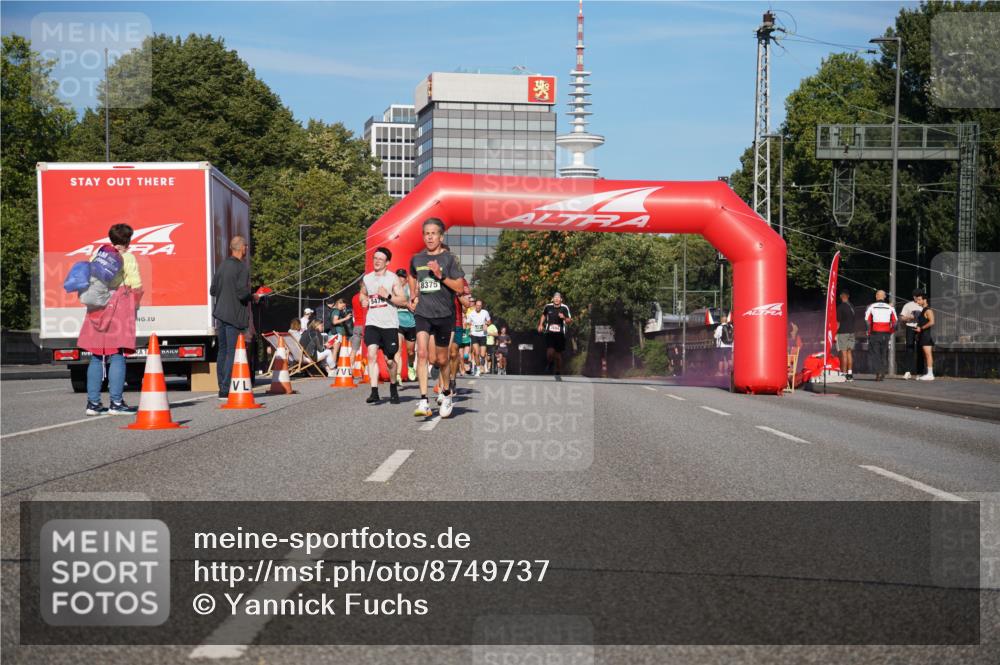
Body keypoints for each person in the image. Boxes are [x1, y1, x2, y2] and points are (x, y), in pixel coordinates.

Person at [78, 224, 141, 415]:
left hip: (96, 308)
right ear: (128, 241)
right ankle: (116, 403)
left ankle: (93, 404)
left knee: (97, 356)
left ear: (111, 238)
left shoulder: (97, 256)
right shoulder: (128, 258)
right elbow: (136, 284)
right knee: (117, 354)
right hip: (117, 308)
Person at [408, 218, 465, 418]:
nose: (430, 237)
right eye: (426, 233)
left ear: (441, 236)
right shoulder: (417, 259)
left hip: (444, 315)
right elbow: (412, 275)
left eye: (434, 233)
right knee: (422, 354)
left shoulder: (450, 259)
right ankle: (423, 400)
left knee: (441, 359)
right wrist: (413, 293)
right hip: (423, 313)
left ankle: (447, 393)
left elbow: (459, 288)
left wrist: (440, 275)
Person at [360, 247, 405, 404]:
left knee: (390, 361)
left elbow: (403, 300)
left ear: (387, 262)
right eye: (375, 258)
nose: (377, 261)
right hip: (372, 322)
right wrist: (363, 300)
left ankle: (393, 387)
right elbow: (362, 293)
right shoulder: (367, 278)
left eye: (381, 258)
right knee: (371, 354)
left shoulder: (393, 278)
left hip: (389, 325)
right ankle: (374, 391)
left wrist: (388, 296)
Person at [210, 235, 252, 401]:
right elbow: (242, 293)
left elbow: (213, 290)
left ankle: (222, 386)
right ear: (241, 248)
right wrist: (253, 296)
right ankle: (226, 389)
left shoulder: (222, 266)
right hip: (234, 315)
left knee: (222, 350)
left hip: (220, 314)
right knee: (231, 352)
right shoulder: (242, 268)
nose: (247, 249)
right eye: (246, 247)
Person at [864, 289, 897, 381]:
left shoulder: (871, 307)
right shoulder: (890, 307)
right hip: (886, 334)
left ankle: (878, 373)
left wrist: (869, 331)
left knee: (876, 354)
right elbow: (895, 323)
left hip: (875, 333)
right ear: (885, 297)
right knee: (884, 353)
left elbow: (867, 321)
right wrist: (890, 331)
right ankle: (883, 372)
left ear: (876, 296)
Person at [537, 292, 572, 377]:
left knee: (558, 355)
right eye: (555, 298)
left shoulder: (564, 308)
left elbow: (569, 321)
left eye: (558, 298)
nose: (556, 299)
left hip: (560, 334)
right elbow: (543, 315)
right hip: (550, 333)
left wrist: (564, 317)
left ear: (561, 299)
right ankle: (550, 363)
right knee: (550, 352)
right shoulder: (548, 306)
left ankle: (558, 371)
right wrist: (541, 324)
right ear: (553, 299)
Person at [394, 269, 417, 381]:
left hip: (410, 323)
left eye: (402, 277)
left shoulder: (410, 289)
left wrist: (412, 304)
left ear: (406, 279)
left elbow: (415, 303)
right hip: (397, 323)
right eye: (398, 276)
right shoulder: (393, 289)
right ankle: (398, 375)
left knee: (410, 351)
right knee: (398, 349)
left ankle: (411, 366)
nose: (400, 279)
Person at [899, 290, 925, 380]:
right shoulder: (908, 305)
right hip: (910, 327)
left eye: (920, 296)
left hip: (920, 328)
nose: (917, 298)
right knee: (909, 349)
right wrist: (909, 317)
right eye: (916, 296)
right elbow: (901, 317)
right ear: (913, 296)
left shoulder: (923, 304)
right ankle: (908, 371)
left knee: (920, 350)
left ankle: (919, 372)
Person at [914, 292, 935, 381]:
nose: (917, 301)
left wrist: (921, 328)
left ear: (924, 300)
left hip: (926, 335)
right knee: (926, 355)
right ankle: (928, 373)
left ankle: (930, 374)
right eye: (917, 299)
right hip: (923, 335)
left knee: (928, 354)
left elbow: (932, 322)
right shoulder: (923, 310)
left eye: (919, 299)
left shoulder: (928, 310)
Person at [467, 299, 491, 376]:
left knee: (483, 354)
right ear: (475, 305)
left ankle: (482, 362)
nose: (478, 307)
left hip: (483, 335)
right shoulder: (471, 313)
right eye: (477, 305)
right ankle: (478, 369)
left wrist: (486, 324)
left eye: (480, 306)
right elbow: (468, 323)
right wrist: (469, 330)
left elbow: (489, 321)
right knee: (476, 353)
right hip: (474, 335)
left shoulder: (485, 312)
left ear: (481, 306)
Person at [835, 290, 856, 381]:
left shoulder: (840, 307)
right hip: (851, 332)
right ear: (848, 296)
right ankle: (850, 374)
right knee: (849, 353)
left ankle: (843, 374)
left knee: (843, 353)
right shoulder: (852, 306)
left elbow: (838, 322)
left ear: (841, 296)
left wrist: (835, 333)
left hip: (842, 332)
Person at [326, 298, 351, 368]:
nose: (344, 308)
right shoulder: (336, 311)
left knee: (333, 351)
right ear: (339, 303)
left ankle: (330, 367)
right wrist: (345, 318)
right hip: (336, 334)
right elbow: (335, 321)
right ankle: (332, 367)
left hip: (333, 333)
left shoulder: (333, 310)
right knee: (335, 351)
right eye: (343, 306)